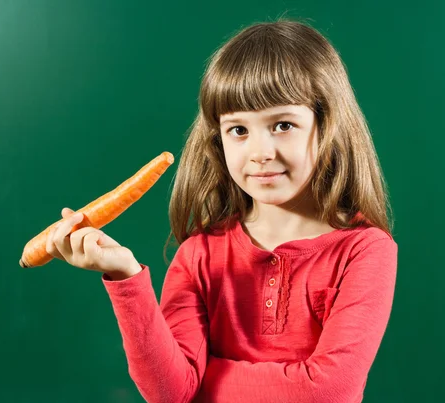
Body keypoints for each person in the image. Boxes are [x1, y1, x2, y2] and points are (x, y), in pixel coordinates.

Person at [46, 18, 398, 403]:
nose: (260, 152)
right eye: (239, 130)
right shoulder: (198, 255)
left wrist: (205, 381)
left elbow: (328, 392)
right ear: (219, 139)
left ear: (327, 126)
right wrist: (124, 274)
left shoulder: (365, 251)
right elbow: (170, 392)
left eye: (283, 124)